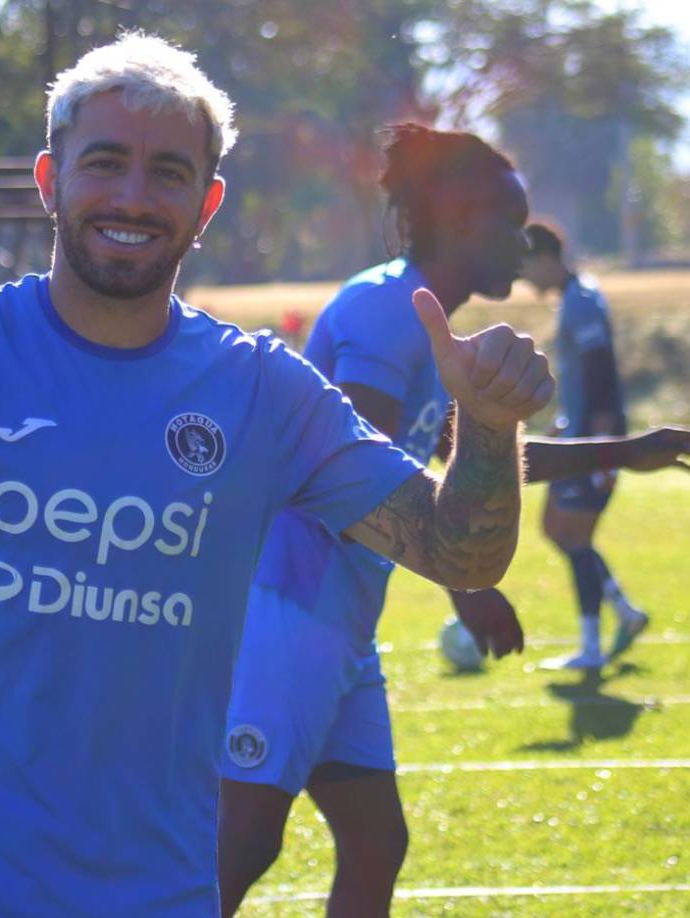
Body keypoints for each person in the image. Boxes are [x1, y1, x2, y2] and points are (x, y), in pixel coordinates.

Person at [0, 35, 554, 917]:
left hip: (152, 894)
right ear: (51, 180)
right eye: (104, 162)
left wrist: (488, 422)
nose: (133, 195)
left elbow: (456, 552)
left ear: (207, 204)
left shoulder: (262, 391)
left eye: (169, 173)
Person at [217, 125, 690, 917]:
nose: (526, 242)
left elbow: (463, 464)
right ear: (465, 222)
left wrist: (628, 448)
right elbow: (362, 471)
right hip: (286, 607)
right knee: (244, 842)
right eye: (514, 223)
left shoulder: (422, 322)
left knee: (376, 842)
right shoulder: (387, 309)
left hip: (340, 620)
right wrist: (463, 585)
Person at [519, 222, 647, 670]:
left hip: (593, 442)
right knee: (557, 529)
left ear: (546, 259)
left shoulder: (582, 303)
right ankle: (624, 611)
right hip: (578, 436)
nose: (524, 278)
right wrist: (563, 426)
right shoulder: (575, 299)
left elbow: (600, 372)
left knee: (574, 534)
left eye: (526, 266)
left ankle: (592, 647)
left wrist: (604, 446)